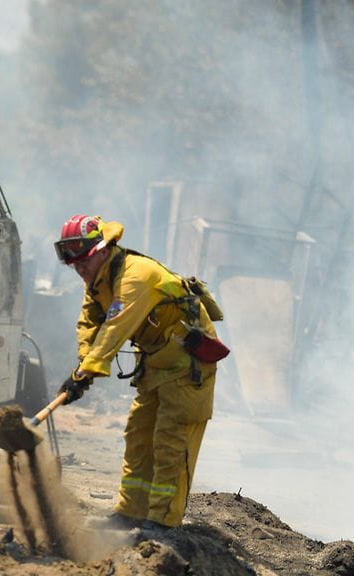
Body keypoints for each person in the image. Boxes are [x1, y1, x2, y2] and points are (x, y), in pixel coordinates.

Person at [53, 214, 226, 530]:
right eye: (74, 264)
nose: (79, 269)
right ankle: (130, 514)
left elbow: (116, 327)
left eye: (84, 261)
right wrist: (83, 363)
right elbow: (89, 323)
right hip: (156, 365)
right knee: (139, 435)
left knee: (170, 443)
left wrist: (87, 373)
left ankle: (162, 524)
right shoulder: (98, 281)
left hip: (188, 366)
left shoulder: (135, 276)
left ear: (104, 250)